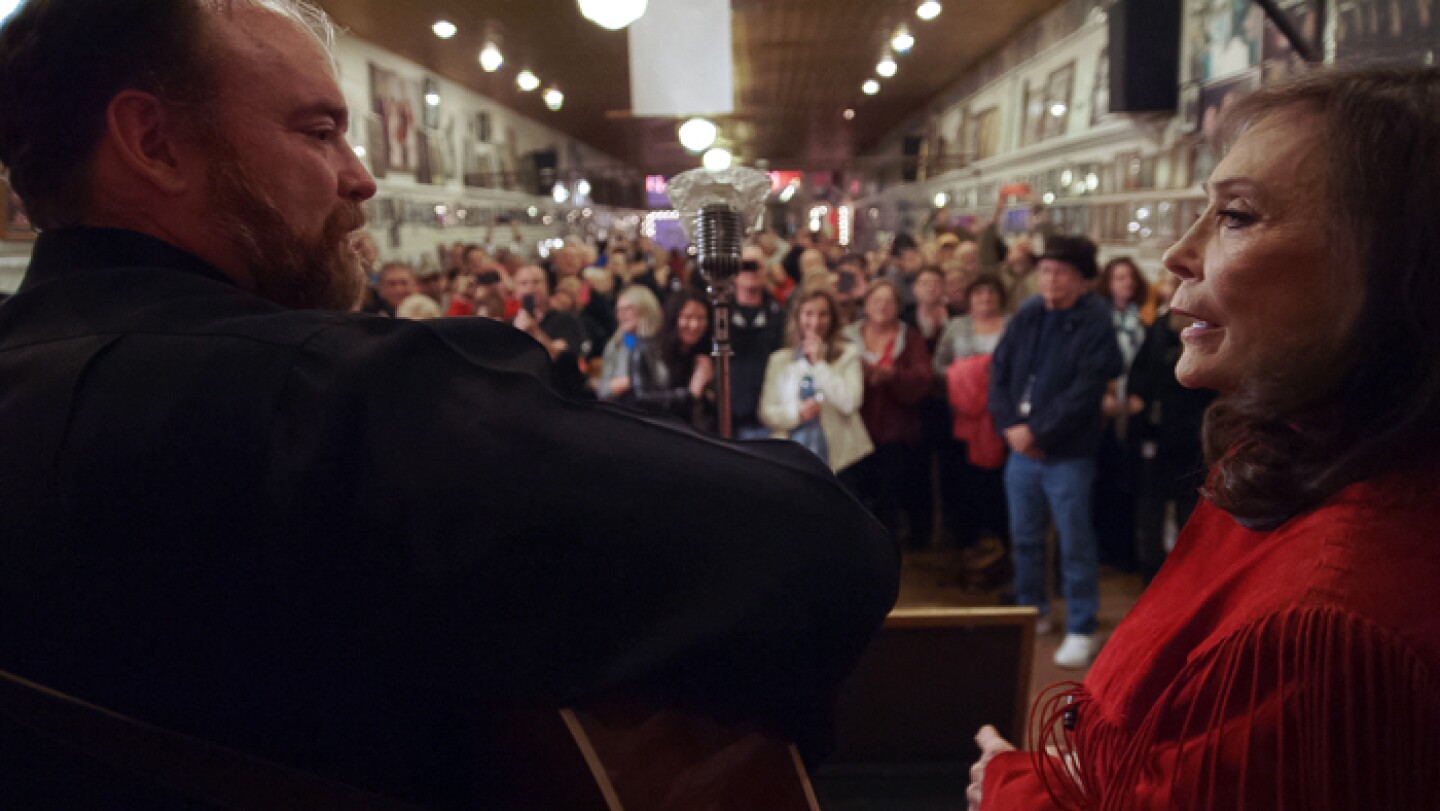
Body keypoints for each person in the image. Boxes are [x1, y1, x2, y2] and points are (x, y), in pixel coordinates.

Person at [0, 2, 899, 807]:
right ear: (151, 143)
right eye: (318, 132)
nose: (362, 178)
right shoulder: (342, 396)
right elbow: (822, 545)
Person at [971, 67, 1440, 810]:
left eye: (1237, 216)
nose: (1177, 255)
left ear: (1398, 267)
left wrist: (1018, 787)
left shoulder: (1327, 625)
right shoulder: (1288, 459)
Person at [988, 236, 1122, 669]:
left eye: (1060, 272)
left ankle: (1082, 625)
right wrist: (1010, 426)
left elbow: (1085, 391)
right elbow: (1000, 372)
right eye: (1044, 270)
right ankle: (1035, 610)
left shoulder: (1095, 321)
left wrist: (1037, 433)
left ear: (1082, 279)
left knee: (1074, 539)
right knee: (1024, 537)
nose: (1049, 279)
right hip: (1021, 450)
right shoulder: (1028, 314)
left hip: (1067, 453)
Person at [844, 280, 933, 548]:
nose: (882, 306)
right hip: (854, 431)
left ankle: (886, 556)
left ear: (898, 307)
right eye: (876, 300)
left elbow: (922, 377)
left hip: (896, 432)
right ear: (866, 305)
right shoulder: (847, 336)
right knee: (855, 496)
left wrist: (894, 375)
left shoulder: (910, 337)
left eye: (889, 301)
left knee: (889, 496)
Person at [936, 275, 1011, 559]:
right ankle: (968, 539)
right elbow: (940, 364)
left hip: (1001, 414)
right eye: (978, 293)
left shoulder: (1013, 324)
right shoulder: (956, 326)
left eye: (991, 292)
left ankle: (1000, 538)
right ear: (969, 298)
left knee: (998, 481)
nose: (985, 298)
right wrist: (968, 374)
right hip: (965, 416)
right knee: (966, 479)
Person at [760, 290, 871, 476]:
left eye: (823, 314)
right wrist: (798, 413)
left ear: (832, 318)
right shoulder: (779, 360)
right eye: (809, 314)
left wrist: (819, 364)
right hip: (793, 457)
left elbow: (850, 403)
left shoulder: (848, 353)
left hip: (841, 458)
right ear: (798, 317)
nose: (815, 321)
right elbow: (767, 412)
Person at [1093, 257, 1153, 573]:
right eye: (1119, 278)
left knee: (1128, 479)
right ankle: (1104, 548)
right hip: (1103, 407)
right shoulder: (1099, 318)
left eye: (1130, 277)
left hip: (1131, 406)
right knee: (1103, 478)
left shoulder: (1142, 318)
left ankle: (1125, 551)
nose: (1126, 283)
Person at [638, 289, 716, 432]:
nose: (694, 325)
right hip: (659, 432)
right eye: (688, 317)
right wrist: (689, 394)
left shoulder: (707, 355)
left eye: (701, 318)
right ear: (674, 318)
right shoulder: (649, 351)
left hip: (695, 436)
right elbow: (642, 399)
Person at [594, 284, 667, 405]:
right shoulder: (619, 342)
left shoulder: (662, 339)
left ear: (645, 309)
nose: (621, 315)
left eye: (628, 309)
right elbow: (603, 390)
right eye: (618, 310)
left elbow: (662, 380)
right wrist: (619, 385)